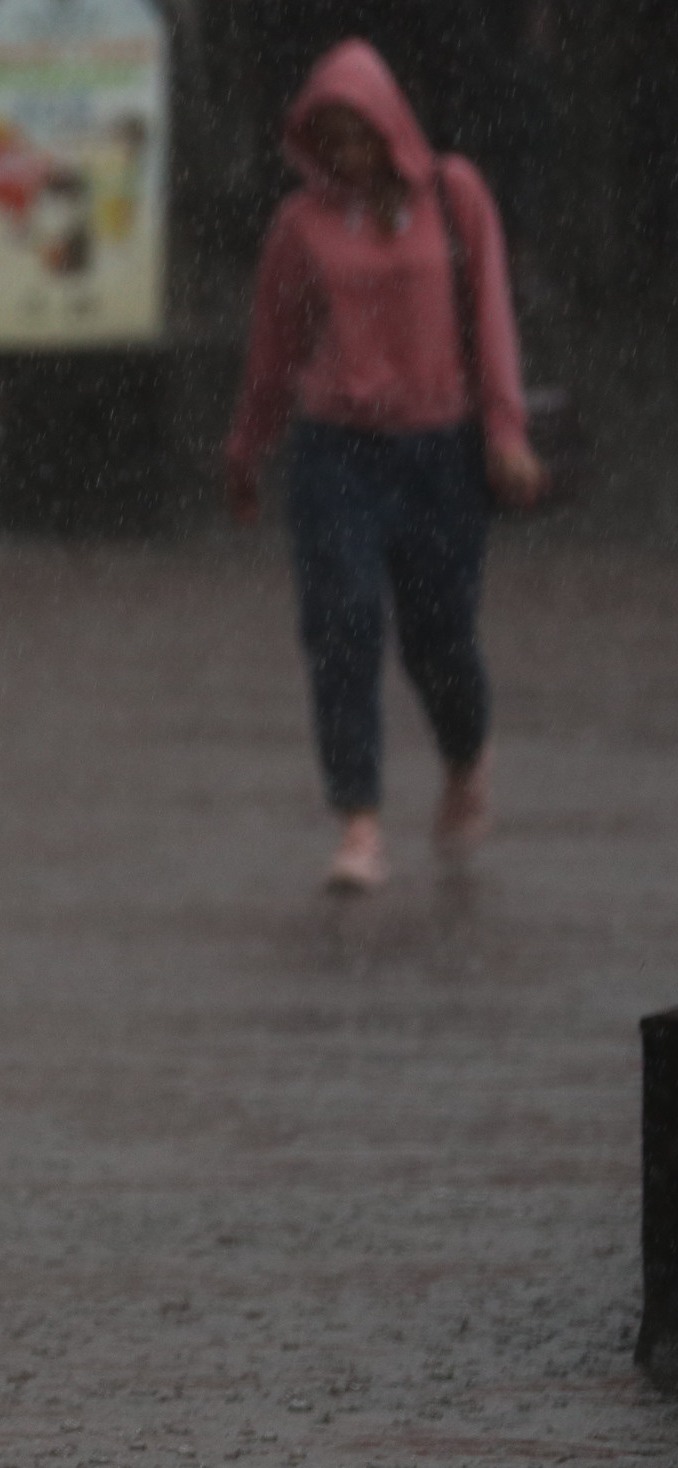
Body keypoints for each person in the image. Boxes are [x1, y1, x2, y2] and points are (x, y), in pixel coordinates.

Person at [222, 38, 544, 894]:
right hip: (338, 453)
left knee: (440, 637)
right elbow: (274, 350)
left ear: (390, 126)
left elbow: (493, 314)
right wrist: (247, 449)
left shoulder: (456, 195)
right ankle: (359, 821)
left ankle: (466, 754)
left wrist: (505, 431)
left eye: (358, 134)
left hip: (442, 450)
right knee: (343, 625)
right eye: (328, 138)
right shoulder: (301, 228)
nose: (347, 156)